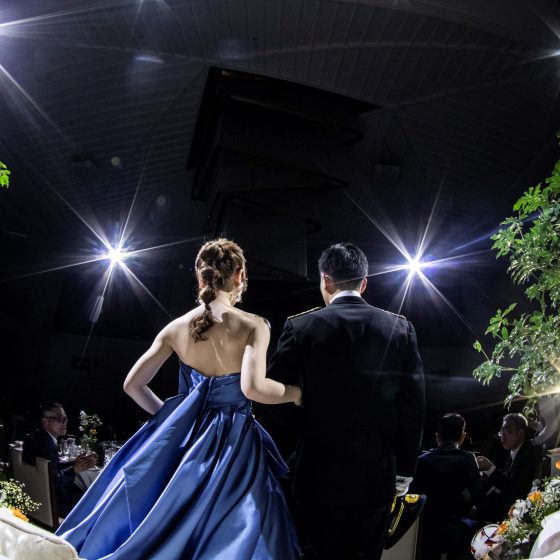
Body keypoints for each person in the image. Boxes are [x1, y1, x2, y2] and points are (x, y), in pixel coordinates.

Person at [56, 238, 301, 559]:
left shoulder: (176, 327)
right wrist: (296, 393)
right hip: (235, 444)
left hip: (186, 442)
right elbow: (253, 389)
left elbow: (133, 385)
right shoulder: (254, 325)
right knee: (235, 525)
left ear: (200, 276)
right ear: (239, 275)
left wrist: (174, 420)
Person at [267, 242, 425, 560]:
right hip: (376, 476)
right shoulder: (400, 329)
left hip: (317, 474)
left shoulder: (300, 326)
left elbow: (274, 394)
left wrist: (301, 428)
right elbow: (413, 406)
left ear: (325, 280)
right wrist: (404, 471)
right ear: (364, 283)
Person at [410, 413, 480, 560]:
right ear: (462, 436)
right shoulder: (468, 459)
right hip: (456, 535)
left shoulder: (421, 461)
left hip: (424, 534)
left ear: (437, 437)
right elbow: (477, 496)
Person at [22, 403, 97, 517]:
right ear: (45, 421)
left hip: (35, 495)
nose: (64, 422)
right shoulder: (46, 445)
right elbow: (53, 482)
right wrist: (74, 470)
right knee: (93, 498)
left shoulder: (36, 437)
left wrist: (74, 463)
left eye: (65, 418)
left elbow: (49, 469)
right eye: (59, 419)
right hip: (53, 503)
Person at [475, 413, 544, 523]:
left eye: (508, 431)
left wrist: (490, 468)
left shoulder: (529, 453)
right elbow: (506, 474)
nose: (503, 435)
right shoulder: (511, 450)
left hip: (518, 510)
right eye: (501, 431)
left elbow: (513, 487)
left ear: (520, 433)